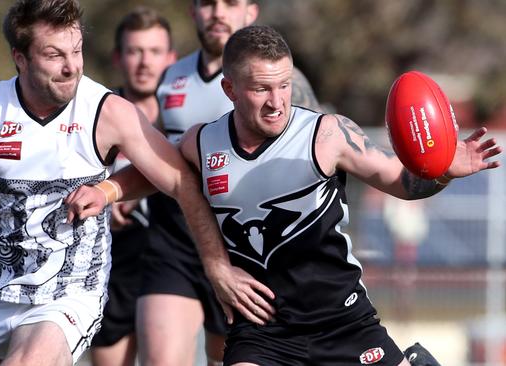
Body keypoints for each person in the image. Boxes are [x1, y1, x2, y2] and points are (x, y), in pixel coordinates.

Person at [0, 1, 226, 365]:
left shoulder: (107, 111)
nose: (71, 67)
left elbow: (178, 177)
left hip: (67, 290)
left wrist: (217, 267)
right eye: (54, 55)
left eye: (77, 51)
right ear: (21, 57)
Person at [175, 25, 501, 365]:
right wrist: (113, 191)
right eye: (261, 89)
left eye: (284, 86)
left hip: (343, 323)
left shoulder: (327, 135)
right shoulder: (201, 144)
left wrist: (444, 170)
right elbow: (155, 169)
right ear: (230, 89)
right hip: (263, 333)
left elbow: (403, 184)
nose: (276, 101)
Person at [138, 1, 322, 365]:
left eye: (231, 3)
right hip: (175, 244)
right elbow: (166, 157)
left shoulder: (286, 85)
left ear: (251, 12)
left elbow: (313, 163)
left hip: (244, 247)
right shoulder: (171, 76)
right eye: (208, 3)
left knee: (224, 357)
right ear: (193, 12)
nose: (218, 12)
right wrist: (115, 191)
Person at [89, 7, 176, 366]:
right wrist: (104, 201)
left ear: (171, 58)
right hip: (114, 268)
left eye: (154, 52)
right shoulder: (97, 117)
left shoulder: (186, 118)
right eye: (135, 51)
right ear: (118, 57)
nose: (144, 62)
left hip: (175, 264)